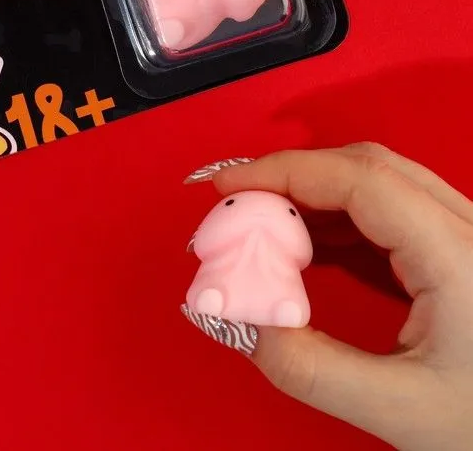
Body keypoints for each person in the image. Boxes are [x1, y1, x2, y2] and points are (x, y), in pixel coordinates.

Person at [182, 143, 473, 450]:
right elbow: (205, 243)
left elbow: (299, 253)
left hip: (280, 289)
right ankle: (217, 297)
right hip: (222, 278)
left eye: (290, 213)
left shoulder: (285, 261)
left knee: (286, 300)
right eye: (231, 205)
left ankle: (281, 307)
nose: (261, 218)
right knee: (214, 290)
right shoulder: (226, 249)